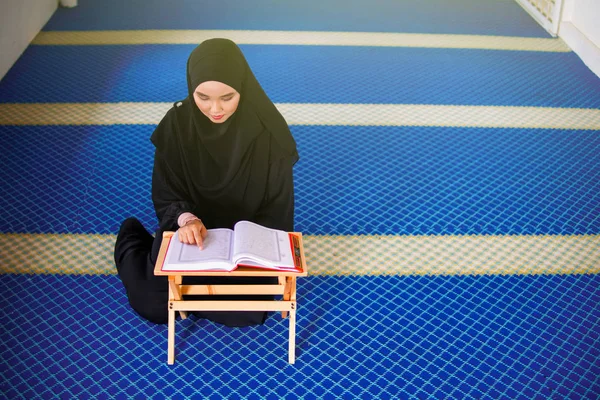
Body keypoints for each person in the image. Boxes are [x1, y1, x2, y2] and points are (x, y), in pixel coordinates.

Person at [114, 38, 299, 326]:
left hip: (246, 241)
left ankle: (195, 298)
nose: (215, 109)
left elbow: (278, 204)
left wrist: (253, 247)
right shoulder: (176, 125)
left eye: (227, 97)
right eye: (203, 97)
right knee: (152, 305)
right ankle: (132, 237)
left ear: (243, 87)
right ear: (191, 87)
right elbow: (167, 190)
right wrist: (186, 220)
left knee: (249, 312)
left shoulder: (269, 133)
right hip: (193, 235)